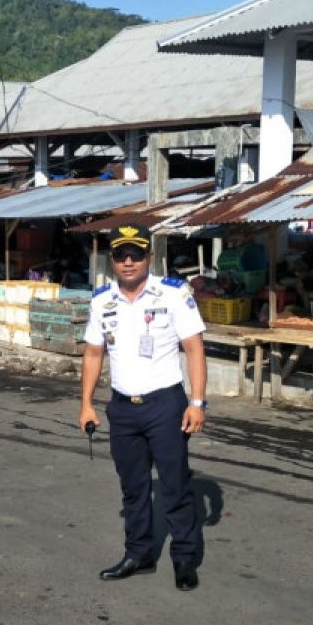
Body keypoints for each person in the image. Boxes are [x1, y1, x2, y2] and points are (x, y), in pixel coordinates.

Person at [77, 225, 209, 592]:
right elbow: (93, 353)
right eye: (121, 255)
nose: (129, 261)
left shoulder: (172, 294)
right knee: (133, 487)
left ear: (149, 256)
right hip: (122, 408)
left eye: (136, 253)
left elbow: (194, 348)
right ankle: (139, 554)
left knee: (175, 484)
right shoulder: (101, 301)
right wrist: (86, 403)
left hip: (165, 404)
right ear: (112, 260)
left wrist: (197, 402)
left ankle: (184, 557)